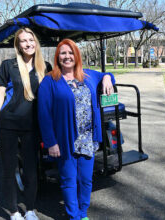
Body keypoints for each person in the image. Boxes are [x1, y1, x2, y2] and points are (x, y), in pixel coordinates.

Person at [37, 39, 115, 220]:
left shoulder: (87, 75)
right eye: (63, 53)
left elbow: (108, 74)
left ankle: (82, 214)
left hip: (87, 138)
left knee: (86, 180)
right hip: (65, 140)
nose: (67, 56)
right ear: (57, 57)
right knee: (69, 181)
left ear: (76, 55)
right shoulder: (50, 81)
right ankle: (74, 216)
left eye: (70, 53)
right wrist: (51, 142)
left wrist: (106, 77)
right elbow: (44, 115)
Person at [0, 27, 52, 220]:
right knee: (9, 170)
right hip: (8, 125)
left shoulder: (45, 66)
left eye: (31, 40)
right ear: (18, 45)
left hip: (32, 127)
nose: (28, 44)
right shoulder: (8, 66)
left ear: (36, 42)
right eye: (23, 41)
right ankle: (14, 212)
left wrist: (106, 76)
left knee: (32, 171)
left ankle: (30, 210)